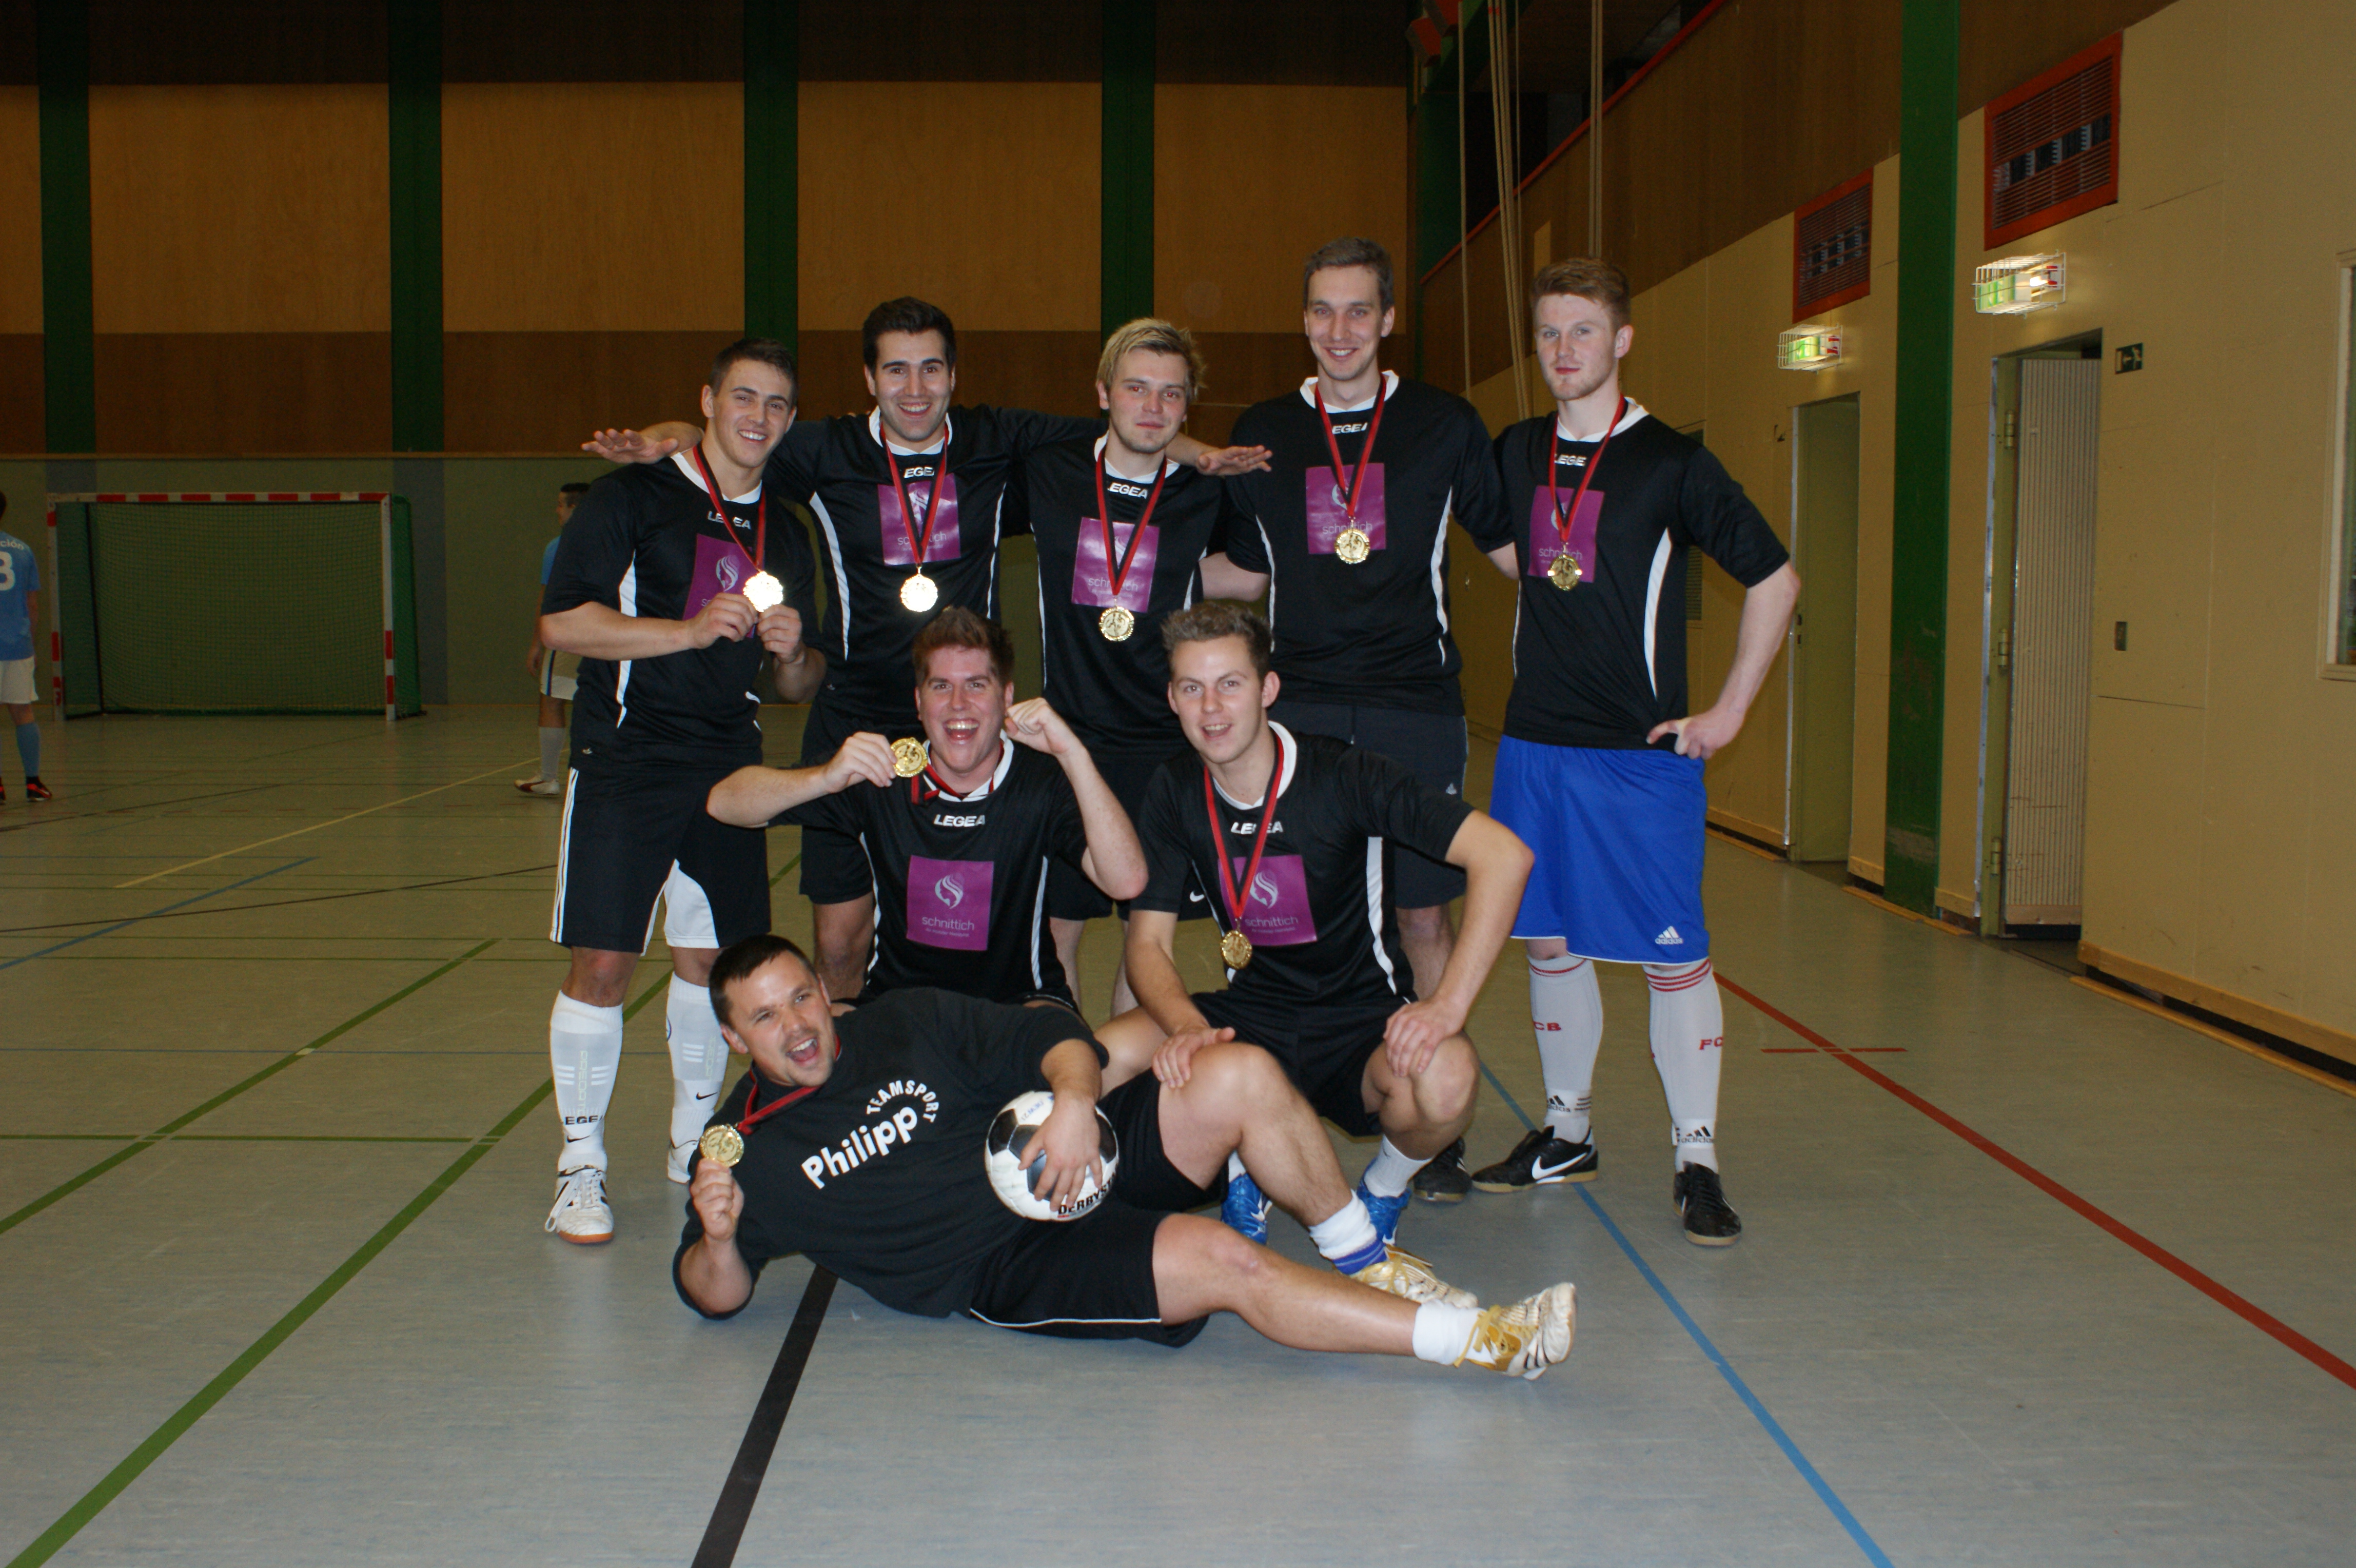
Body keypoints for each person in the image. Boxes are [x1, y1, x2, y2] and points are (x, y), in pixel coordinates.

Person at [584, 297, 1266, 1003]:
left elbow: (1131, 429)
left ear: (953, 376)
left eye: (932, 369)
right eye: (897, 370)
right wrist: (670, 435)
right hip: (855, 719)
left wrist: (1199, 454)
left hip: (962, 724)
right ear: (869, 378)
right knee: (840, 943)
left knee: (984, 932)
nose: (915, 388)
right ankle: (852, 1063)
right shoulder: (825, 450)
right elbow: (737, 439)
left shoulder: (996, 439)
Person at [675, 932, 1576, 1379]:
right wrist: (717, 1240)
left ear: (822, 988)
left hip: (1068, 1151)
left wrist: (1074, 1103)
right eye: (766, 1017)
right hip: (1011, 1262)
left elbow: (1052, 1035)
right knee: (1228, 1263)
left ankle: (1362, 1257)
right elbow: (714, 1294)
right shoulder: (746, 1150)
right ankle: (1486, 1343)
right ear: (733, 1037)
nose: (797, 1026)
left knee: (1238, 1072)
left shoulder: (901, 1021)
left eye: (802, 997)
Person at [1472, 258, 1801, 1247]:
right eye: (1548, 332)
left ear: (1620, 340)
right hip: (1534, 746)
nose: (1563, 349)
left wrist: (1729, 711)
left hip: (1637, 754)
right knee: (1548, 941)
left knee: (1673, 956)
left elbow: (1776, 579)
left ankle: (1696, 1157)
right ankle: (1567, 1132)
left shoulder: (1670, 461)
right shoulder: (1517, 449)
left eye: (1582, 330)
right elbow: (1522, 561)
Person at [1208, 240, 1513, 1199]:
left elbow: (1514, 552)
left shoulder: (1444, 424)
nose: (1338, 330)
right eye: (1321, 311)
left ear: (1387, 320)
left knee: (1422, 909)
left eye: (1357, 311)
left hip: (1412, 700)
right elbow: (1237, 574)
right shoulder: (1264, 432)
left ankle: (1432, 1111)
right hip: (1295, 701)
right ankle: (1273, 1095)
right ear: (1303, 321)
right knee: (1288, 905)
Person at [1113, 602, 1534, 1252]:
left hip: (1357, 1020)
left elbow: (1504, 856)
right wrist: (1189, 1028)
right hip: (1248, 1014)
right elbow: (1145, 943)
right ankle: (1236, 1160)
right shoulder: (1174, 786)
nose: (1211, 708)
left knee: (1447, 1078)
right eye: (1191, 688)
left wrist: (1447, 1005)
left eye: (1230, 683)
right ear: (1171, 698)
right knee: (1104, 1056)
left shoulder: (1345, 774)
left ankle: (1384, 1187)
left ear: (1268, 688)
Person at [535, 337, 826, 1245]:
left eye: (776, 404)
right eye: (744, 397)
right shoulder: (633, 496)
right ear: (707, 401)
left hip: (730, 766)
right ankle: (579, 1166)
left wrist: (793, 655)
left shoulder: (789, 527)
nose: (758, 417)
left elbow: (798, 685)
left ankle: (694, 1143)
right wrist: (690, 630)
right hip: (626, 757)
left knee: (711, 964)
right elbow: (563, 622)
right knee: (604, 966)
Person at [705, 609, 1144, 1011]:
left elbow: (1126, 882)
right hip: (901, 1012)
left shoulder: (1041, 780)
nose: (958, 703)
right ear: (918, 702)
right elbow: (724, 803)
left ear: (1006, 696)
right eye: (941, 686)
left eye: (976, 685)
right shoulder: (882, 775)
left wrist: (1072, 753)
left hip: (1019, 1008)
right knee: (821, 1038)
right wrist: (825, 777)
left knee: (1075, 1062)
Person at [1023, 319, 1259, 1014]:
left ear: (1187, 406)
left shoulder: (1206, 491)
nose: (1152, 407)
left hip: (1163, 747)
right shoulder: (1049, 469)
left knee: (1145, 941)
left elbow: (1250, 577)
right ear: (1103, 392)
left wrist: (1181, 569)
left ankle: (1122, 1074)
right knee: (1055, 933)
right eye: (1136, 388)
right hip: (1068, 743)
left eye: (1171, 394)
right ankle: (1065, 1065)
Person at [518, 481, 591, 797]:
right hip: (611, 635)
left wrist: (537, 643)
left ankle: (548, 776)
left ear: (575, 508)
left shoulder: (559, 546)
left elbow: (547, 600)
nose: (557, 510)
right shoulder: (615, 540)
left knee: (551, 699)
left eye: (561, 504)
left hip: (570, 635)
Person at [0, 494, 47, 805]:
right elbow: (32, 605)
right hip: (17, 645)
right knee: (23, 712)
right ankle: (33, 784)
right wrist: (30, 642)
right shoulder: (23, 549)